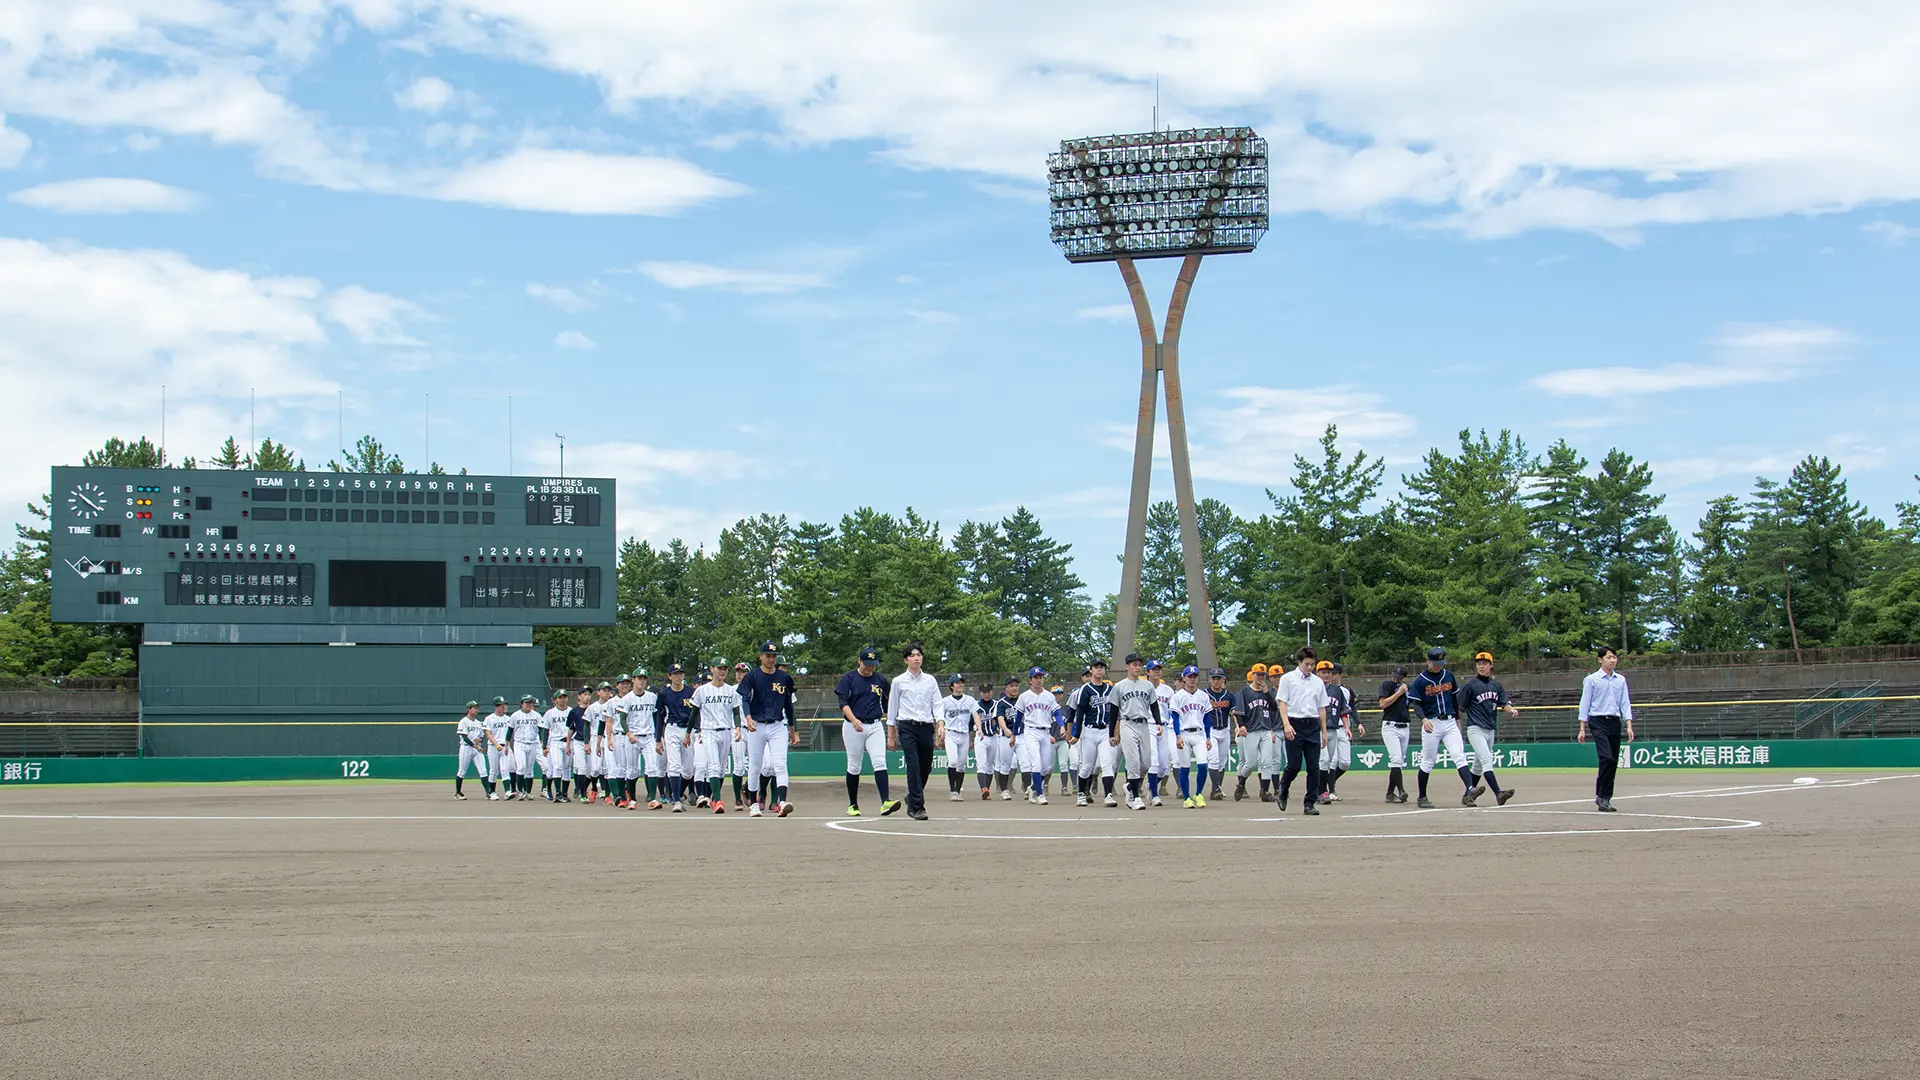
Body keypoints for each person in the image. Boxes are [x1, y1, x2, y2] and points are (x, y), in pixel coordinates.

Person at [835, 647, 898, 818]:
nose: (870, 667)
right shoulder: (849, 678)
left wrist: (892, 731)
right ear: (859, 661)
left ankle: (885, 802)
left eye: (873, 664)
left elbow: (888, 707)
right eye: (867, 663)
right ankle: (853, 805)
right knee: (854, 765)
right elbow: (843, 702)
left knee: (879, 761)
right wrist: (854, 719)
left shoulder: (880, 680)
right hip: (853, 725)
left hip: (875, 725)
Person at [738, 642, 799, 818]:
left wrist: (792, 729)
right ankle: (754, 804)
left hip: (777, 725)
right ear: (761, 656)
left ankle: (781, 802)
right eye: (768, 655)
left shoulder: (784, 678)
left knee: (780, 764)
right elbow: (744, 700)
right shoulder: (752, 676)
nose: (771, 659)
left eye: (774, 656)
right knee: (756, 766)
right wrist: (748, 718)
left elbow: (789, 705)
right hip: (756, 725)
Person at [1411, 647, 1475, 809]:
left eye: (1441, 662)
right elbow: (1416, 704)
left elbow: (1455, 699)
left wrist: (1458, 720)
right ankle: (1422, 797)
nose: (1439, 666)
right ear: (1428, 661)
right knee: (1428, 761)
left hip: (1449, 721)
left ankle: (1470, 790)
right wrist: (1423, 719)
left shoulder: (1449, 676)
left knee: (1459, 755)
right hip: (1432, 723)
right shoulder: (1420, 680)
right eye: (1435, 663)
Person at [885, 643, 942, 820]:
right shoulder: (898, 681)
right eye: (912, 655)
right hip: (906, 726)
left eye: (918, 655)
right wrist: (891, 733)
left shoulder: (930, 680)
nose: (916, 658)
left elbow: (937, 703)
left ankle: (912, 796)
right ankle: (917, 807)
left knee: (926, 767)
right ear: (906, 660)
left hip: (926, 726)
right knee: (913, 765)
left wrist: (940, 724)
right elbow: (892, 707)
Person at [1577, 646, 1634, 812]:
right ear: (1600, 659)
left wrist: (1629, 724)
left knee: (1614, 760)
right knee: (1606, 757)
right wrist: (1582, 727)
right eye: (1609, 657)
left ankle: (1606, 797)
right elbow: (1585, 703)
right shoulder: (1591, 680)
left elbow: (1625, 702)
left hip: (1614, 721)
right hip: (1598, 721)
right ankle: (1600, 795)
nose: (1613, 660)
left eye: (1615, 657)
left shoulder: (1620, 680)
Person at [1459, 651, 1520, 806]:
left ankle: (1468, 795)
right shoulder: (1470, 685)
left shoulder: (1496, 685)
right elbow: (1460, 708)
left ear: (1491, 666)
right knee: (1487, 761)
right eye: (1479, 663)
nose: (1481, 666)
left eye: (1485, 663)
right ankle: (1498, 793)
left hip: (1490, 729)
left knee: (1478, 765)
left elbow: (1504, 704)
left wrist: (1511, 710)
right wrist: (1457, 726)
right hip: (1475, 728)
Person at [1274, 648, 1327, 815]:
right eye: (1307, 664)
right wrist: (1286, 724)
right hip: (1294, 723)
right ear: (1299, 662)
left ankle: (1309, 803)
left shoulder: (1318, 682)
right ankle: (1284, 788)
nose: (1309, 667)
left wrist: (1323, 731)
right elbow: (1282, 703)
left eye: (1312, 664)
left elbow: (1321, 707)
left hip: (1312, 725)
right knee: (1294, 765)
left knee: (1313, 767)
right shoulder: (1288, 679)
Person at [1110, 653, 1163, 811]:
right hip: (1127, 723)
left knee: (1146, 762)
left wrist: (1159, 723)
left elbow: (1154, 706)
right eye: (1134, 664)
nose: (1137, 667)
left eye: (1139, 664)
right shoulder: (1119, 686)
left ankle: (1129, 786)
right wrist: (1112, 733)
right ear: (1127, 667)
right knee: (1132, 761)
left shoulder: (1147, 686)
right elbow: (1113, 711)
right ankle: (1136, 797)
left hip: (1144, 724)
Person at [692, 660, 743, 814]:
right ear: (712, 669)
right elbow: (694, 713)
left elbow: (735, 711)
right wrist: (689, 733)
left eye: (725, 668)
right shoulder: (702, 691)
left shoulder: (731, 691)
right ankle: (717, 799)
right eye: (719, 668)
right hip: (708, 730)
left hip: (726, 730)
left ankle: (714, 797)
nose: (722, 671)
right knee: (713, 766)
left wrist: (738, 727)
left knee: (720, 769)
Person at [1068, 659, 1118, 807]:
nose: (1099, 670)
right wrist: (1076, 734)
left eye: (1102, 667)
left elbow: (1115, 712)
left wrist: (1114, 732)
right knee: (1087, 766)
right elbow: (1080, 712)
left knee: (1107, 764)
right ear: (1091, 670)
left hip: (1105, 730)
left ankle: (1108, 795)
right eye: (1096, 667)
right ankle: (1081, 794)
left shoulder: (1110, 689)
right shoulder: (1085, 689)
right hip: (1089, 730)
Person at [1232, 664, 1278, 802]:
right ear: (1253, 675)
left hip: (1265, 730)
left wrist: (1266, 693)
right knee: (1250, 764)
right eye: (1258, 674)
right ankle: (1242, 783)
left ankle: (1265, 792)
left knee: (1267, 762)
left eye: (1263, 675)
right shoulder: (1245, 692)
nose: (1260, 677)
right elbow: (1238, 711)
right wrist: (1241, 726)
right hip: (1251, 731)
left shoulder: (1267, 692)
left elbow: (1274, 708)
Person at [655, 665, 697, 812]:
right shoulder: (664, 693)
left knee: (689, 770)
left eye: (681, 673)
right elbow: (660, 716)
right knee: (674, 765)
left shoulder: (690, 692)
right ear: (670, 676)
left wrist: (691, 732)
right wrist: (658, 739)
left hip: (687, 729)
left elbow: (695, 714)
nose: (679, 676)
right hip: (671, 728)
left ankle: (678, 794)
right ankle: (677, 801)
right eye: (676, 674)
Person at [1013, 668, 1058, 804]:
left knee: (1047, 767)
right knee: (1036, 763)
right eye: (1035, 677)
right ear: (1030, 680)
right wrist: (1014, 735)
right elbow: (1018, 717)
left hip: (1045, 732)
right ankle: (1040, 794)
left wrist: (1061, 726)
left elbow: (1056, 713)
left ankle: (1033, 787)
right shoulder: (1024, 696)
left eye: (1040, 677)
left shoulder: (1049, 696)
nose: (1038, 679)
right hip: (1031, 731)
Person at [1169, 666, 1212, 807]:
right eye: (1189, 676)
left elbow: (1207, 718)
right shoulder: (1178, 696)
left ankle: (1198, 794)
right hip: (1184, 733)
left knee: (1203, 765)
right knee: (1185, 767)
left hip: (1199, 733)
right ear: (1184, 678)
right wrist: (1177, 735)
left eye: (1194, 676)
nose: (1192, 679)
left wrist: (1208, 737)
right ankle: (1187, 798)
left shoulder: (1203, 696)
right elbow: (1175, 718)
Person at [1316, 662, 1358, 803]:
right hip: (1318, 729)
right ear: (1317, 674)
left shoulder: (1337, 690)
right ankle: (1322, 792)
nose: (1327, 675)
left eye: (1329, 672)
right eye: (1323, 672)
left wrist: (1347, 727)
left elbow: (1343, 710)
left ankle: (1322, 790)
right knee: (1324, 760)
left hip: (1334, 728)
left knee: (1329, 762)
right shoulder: (1313, 688)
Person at [940, 675, 982, 802]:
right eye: (957, 683)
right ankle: (952, 791)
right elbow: (940, 717)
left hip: (964, 734)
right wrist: (940, 728)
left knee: (962, 765)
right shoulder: (945, 701)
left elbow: (976, 716)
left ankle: (958, 791)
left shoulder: (970, 700)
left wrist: (979, 728)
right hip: (951, 734)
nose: (960, 685)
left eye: (961, 682)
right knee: (952, 761)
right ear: (951, 686)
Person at [1377, 666, 1412, 803]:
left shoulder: (1408, 688)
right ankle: (1401, 790)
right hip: (1390, 726)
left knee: (1398, 762)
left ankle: (1390, 794)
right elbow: (1383, 704)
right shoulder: (1386, 685)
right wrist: (1399, 693)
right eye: (1394, 676)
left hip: (1405, 726)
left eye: (1398, 677)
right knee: (1396, 759)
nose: (1395, 679)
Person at [980, 678, 1018, 799]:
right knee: (994, 765)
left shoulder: (996, 703)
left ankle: (1021, 787)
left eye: (989, 691)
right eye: (984, 691)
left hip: (996, 737)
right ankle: (991, 788)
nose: (986, 693)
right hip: (989, 737)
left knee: (997, 765)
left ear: (992, 692)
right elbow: (999, 719)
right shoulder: (978, 705)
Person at [1145, 659, 1176, 806]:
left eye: (1159, 669)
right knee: (1154, 761)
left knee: (1164, 767)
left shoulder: (1167, 690)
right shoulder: (1143, 688)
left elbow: (1173, 711)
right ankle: (1155, 795)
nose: (1157, 671)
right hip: (1148, 726)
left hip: (1164, 727)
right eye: (1154, 669)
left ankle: (1150, 786)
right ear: (1148, 672)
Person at [629, 671, 662, 809]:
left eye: (644, 679)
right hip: (633, 737)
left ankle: (653, 799)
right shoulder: (627, 699)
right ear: (633, 680)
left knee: (653, 768)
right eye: (639, 678)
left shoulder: (652, 697)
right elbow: (622, 718)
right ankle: (632, 799)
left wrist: (658, 736)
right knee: (632, 770)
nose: (642, 681)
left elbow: (657, 717)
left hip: (648, 736)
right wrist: (627, 732)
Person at [1203, 669, 1234, 803]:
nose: (1216, 681)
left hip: (1225, 730)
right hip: (1210, 731)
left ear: (1223, 680)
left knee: (1222, 762)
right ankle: (1216, 789)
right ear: (1209, 680)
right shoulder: (1203, 695)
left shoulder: (1229, 696)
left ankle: (1217, 788)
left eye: (1218, 678)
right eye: (1213, 678)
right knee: (1214, 759)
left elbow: (1234, 713)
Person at [540, 688, 574, 803]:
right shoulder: (550, 713)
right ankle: (557, 793)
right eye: (560, 697)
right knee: (557, 766)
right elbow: (545, 730)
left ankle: (564, 793)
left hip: (569, 742)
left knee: (567, 768)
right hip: (555, 742)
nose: (563, 699)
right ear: (555, 700)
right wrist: (544, 746)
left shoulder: (571, 711)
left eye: (565, 697)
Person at [508, 693, 544, 800]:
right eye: (527, 702)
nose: (529, 704)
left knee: (529, 770)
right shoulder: (515, 715)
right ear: (521, 704)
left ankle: (528, 792)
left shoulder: (536, 715)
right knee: (521, 767)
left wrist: (542, 741)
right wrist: (506, 744)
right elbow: (510, 731)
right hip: (519, 743)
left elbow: (541, 729)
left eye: (530, 702)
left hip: (532, 743)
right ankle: (520, 792)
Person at [455, 701, 488, 800]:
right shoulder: (463, 721)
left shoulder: (478, 723)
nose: (477, 710)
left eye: (477, 708)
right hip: (466, 748)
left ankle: (488, 792)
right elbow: (464, 737)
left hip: (476, 748)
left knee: (483, 770)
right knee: (462, 771)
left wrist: (480, 740)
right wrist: (476, 746)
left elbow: (482, 736)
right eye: (474, 708)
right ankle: (458, 793)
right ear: (469, 709)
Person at [482, 697, 513, 802]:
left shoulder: (508, 719)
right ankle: (492, 792)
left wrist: (507, 745)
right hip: (493, 747)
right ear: (495, 706)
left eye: (504, 704)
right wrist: (496, 744)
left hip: (504, 746)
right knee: (493, 770)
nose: (504, 706)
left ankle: (508, 791)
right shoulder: (489, 718)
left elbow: (510, 734)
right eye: (501, 705)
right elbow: (488, 734)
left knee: (505, 769)